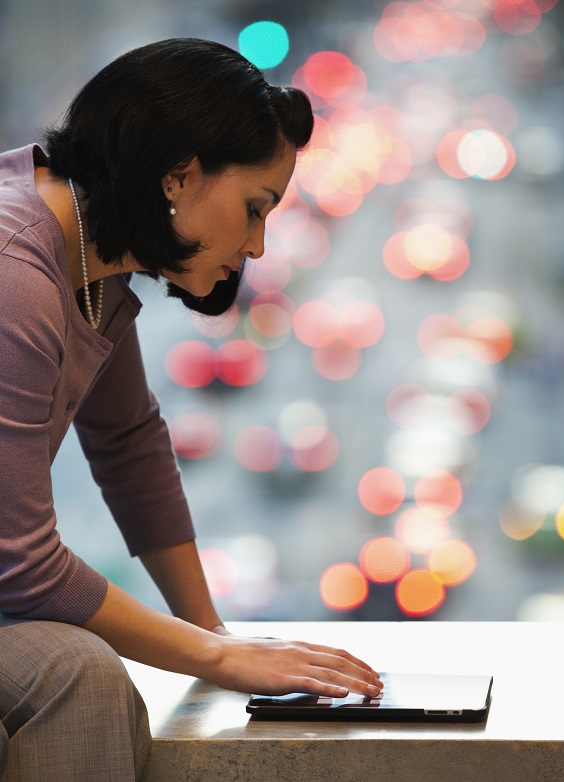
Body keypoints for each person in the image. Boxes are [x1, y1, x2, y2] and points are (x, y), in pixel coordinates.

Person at [0, 38, 382, 782]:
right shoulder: (17, 273)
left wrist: (213, 629)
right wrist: (218, 655)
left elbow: (128, 440)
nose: (259, 244)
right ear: (179, 175)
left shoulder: (88, 252)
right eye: (254, 208)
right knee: (77, 672)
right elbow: (20, 565)